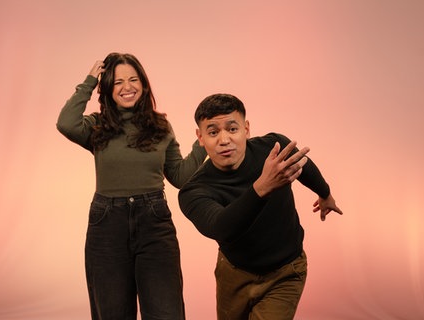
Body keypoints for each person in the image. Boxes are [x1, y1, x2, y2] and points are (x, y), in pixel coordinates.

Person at [56, 53, 206, 320]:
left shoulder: (161, 126)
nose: (128, 87)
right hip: (107, 227)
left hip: (154, 224)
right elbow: (66, 122)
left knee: (166, 313)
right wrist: (90, 81)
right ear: (107, 89)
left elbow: (180, 176)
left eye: (134, 79)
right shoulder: (97, 126)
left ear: (144, 84)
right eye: (117, 82)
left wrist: (201, 145)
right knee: (111, 313)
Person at [178, 93, 343, 320]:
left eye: (232, 129)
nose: (224, 139)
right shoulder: (194, 191)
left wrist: (324, 193)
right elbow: (221, 228)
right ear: (200, 137)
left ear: (246, 129)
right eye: (213, 132)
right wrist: (262, 187)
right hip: (233, 274)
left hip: (286, 271)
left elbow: (304, 166)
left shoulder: (273, 149)